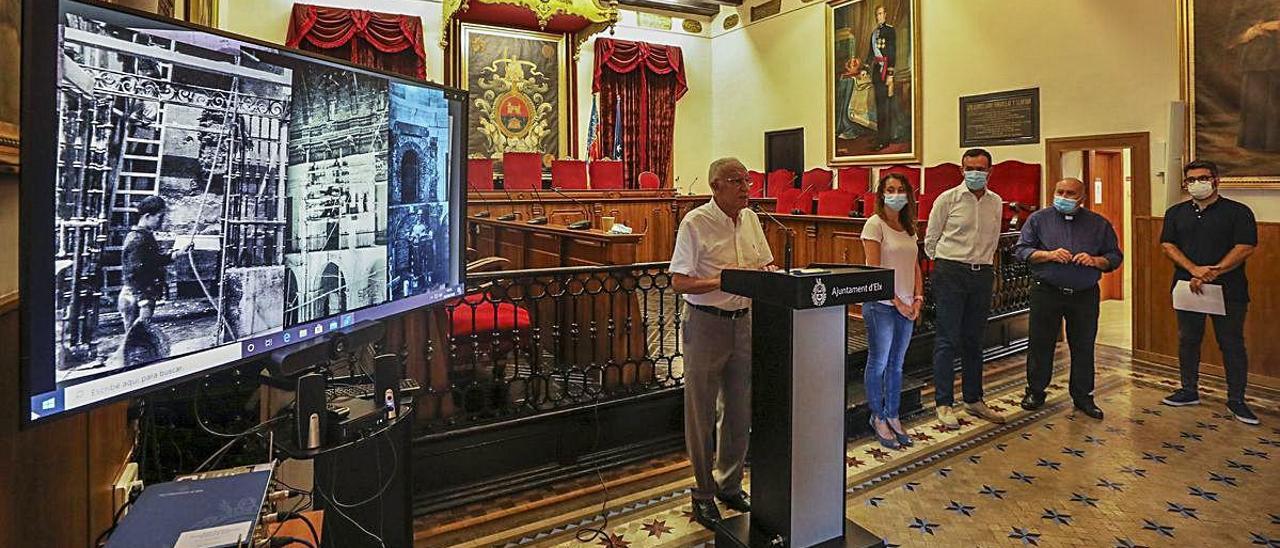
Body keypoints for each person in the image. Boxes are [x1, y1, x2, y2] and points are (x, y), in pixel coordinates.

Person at [670, 157, 777, 528]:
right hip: (706, 325)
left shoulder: (751, 219)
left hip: (744, 323)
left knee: (738, 409)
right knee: (700, 413)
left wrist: (769, 277)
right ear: (715, 186)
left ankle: (729, 483)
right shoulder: (695, 223)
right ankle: (702, 493)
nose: (746, 187)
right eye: (736, 181)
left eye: (747, 180)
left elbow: (764, 265)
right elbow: (680, 282)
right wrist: (724, 280)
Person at [1159, 160, 1259, 425]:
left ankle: (1236, 400)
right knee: (1188, 340)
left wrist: (1213, 272)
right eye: (1191, 179)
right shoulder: (1176, 213)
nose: (1196, 184)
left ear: (1215, 180)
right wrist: (1193, 269)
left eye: (1202, 178)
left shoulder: (1238, 212)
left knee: (1231, 344)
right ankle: (1188, 390)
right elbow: (1168, 245)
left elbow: (1246, 246)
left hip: (1229, 290)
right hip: (1187, 287)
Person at [1013, 178, 1122, 420]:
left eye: (1070, 193)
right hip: (1047, 291)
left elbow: (1114, 257)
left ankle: (1083, 396)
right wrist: (1047, 255)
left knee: (1083, 345)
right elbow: (1021, 251)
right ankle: (1036, 391)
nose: (1063, 196)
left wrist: (1095, 261)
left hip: (1084, 294)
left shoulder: (1098, 224)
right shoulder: (1038, 219)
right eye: (1059, 191)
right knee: (1041, 343)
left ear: (1082, 198)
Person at [923, 148, 1005, 429]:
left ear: (990, 171)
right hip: (951, 272)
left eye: (980, 169)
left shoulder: (996, 202)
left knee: (974, 339)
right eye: (969, 168)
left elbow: (993, 239)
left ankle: (973, 398)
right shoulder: (948, 199)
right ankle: (944, 403)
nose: (975, 173)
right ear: (961, 170)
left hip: (981, 273)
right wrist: (947, 265)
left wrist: (983, 265)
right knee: (947, 339)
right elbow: (931, 239)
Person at [861, 173, 923, 448]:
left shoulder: (909, 226)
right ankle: (877, 416)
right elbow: (874, 271)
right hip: (882, 306)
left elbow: (915, 266)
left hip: (908, 304)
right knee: (879, 363)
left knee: (897, 365)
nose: (896, 194)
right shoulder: (874, 225)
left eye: (901, 190)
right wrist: (897, 301)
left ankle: (893, 414)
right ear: (881, 194)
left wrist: (918, 299)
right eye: (890, 189)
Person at [117, 195, 192, 366]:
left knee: (138, 341)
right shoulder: (136, 239)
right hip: (135, 297)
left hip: (140, 295)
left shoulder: (144, 236)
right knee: (135, 343)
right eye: (160, 217)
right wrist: (143, 299)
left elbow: (154, 260)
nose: (162, 221)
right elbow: (133, 272)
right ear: (147, 216)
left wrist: (178, 253)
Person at [864, 4, 896, 150]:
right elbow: (871, 54)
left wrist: (890, 74)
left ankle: (885, 139)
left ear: (886, 15)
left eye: (881, 14)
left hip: (885, 71)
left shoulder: (890, 31)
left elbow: (892, 52)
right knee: (879, 107)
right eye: (877, 14)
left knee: (885, 108)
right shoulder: (873, 34)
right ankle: (880, 136)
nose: (879, 17)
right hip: (877, 72)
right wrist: (865, 68)